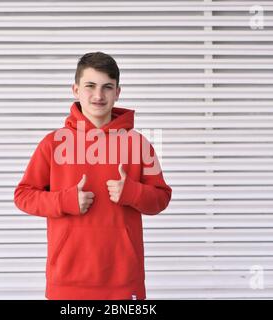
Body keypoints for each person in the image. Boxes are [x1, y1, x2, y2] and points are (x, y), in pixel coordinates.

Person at [14, 52, 172, 300]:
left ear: (117, 92)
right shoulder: (52, 144)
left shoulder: (138, 144)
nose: (98, 96)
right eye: (90, 86)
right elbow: (23, 196)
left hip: (123, 282)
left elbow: (161, 198)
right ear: (76, 90)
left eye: (107, 87)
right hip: (67, 282)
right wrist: (64, 201)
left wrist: (132, 192)